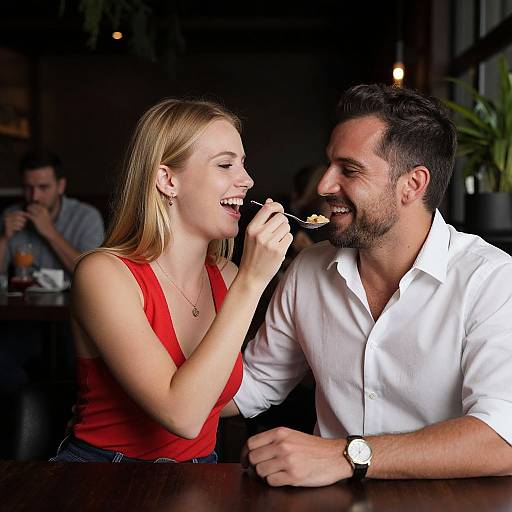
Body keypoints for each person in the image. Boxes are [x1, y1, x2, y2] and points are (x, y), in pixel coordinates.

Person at [227, 84, 512, 486]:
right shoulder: (307, 270)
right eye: (329, 164)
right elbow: (249, 388)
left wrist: (346, 456)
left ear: (412, 185)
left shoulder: (493, 279)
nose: (325, 185)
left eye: (349, 169)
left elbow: (502, 439)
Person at [50, 99, 292, 463]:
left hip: (198, 475)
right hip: (102, 477)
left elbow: (219, 395)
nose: (247, 180)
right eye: (226, 165)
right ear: (167, 179)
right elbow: (182, 416)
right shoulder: (104, 274)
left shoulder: (227, 276)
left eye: (243, 164)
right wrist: (252, 282)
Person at [0, 149, 105, 279]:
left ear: (60, 186)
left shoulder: (87, 217)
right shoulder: (11, 215)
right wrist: (4, 239)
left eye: (43, 187)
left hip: (72, 299)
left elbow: (93, 276)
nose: (34, 196)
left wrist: (51, 233)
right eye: (28, 188)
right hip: (24, 298)